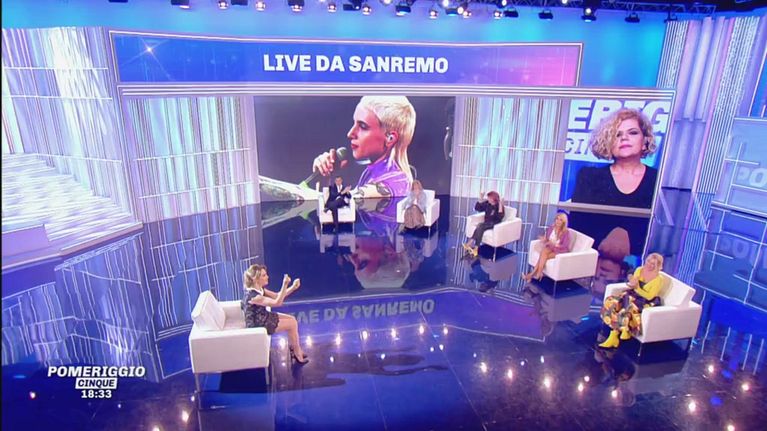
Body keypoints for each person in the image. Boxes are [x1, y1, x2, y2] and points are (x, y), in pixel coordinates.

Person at [312, 96, 416, 198]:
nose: (350, 134)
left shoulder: (392, 182)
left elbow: (338, 204)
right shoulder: (374, 172)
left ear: (390, 138)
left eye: (363, 126)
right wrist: (325, 176)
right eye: (354, 124)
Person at [572, 108, 659, 209]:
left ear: (645, 141)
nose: (624, 138)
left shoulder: (658, 179)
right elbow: (578, 217)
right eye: (617, 135)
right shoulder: (589, 177)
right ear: (608, 142)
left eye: (633, 133)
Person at [241, 264, 308, 364]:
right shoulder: (254, 296)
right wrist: (284, 284)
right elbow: (277, 302)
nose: (267, 277)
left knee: (292, 319)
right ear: (256, 279)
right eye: (264, 275)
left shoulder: (260, 289)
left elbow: (277, 296)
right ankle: (297, 352)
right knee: (292, 324)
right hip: (258, 324)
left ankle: (294, 349)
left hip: (262, 316)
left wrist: (293, 287)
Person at [599, 253, 665, 349]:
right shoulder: (639, 270)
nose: (649, 265)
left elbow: (649, 296)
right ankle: (616, 334)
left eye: (653, 264)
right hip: (632, 295)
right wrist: (631, 283)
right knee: (612, 302)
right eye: (648, 261)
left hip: (645, 301)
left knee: (627, 307)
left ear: (658, 266)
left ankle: (617, 334)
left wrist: (637, 287)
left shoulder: (659, 279)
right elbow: (632, 284)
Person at [523, 212, 571, 281]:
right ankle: (537, 274)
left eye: (560, 220)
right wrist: (544, 239)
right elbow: (548, 240)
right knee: (544, 252)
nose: (558, 221)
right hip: (551, 248)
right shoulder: (551, 228)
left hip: (560, 251)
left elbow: (565, 246)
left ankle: (533, 274)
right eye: (557, 219)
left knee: (542, 255)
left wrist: (554, 244)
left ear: (563, 222)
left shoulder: (566, 232)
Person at [462, 191, 505, 258]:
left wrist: (500, 204)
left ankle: (470, 243)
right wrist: (480, 198)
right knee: (480, 227)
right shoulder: (487, 203)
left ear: (493, 199)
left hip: (495, 223)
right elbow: (477, 208)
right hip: (486, 223)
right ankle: (475, 248)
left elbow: (500, 217)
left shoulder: (498, 205)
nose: (488, 199)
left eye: (489, 198)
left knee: (480, 225)